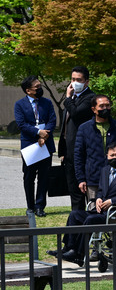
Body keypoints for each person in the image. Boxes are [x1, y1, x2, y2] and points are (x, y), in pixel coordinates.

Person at [48, 142, 116, 267]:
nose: (114, 158)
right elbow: (101, 191)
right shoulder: (105, 170)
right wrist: (98, 199)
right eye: (111, 155)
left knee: (91, 219)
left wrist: (113, 201)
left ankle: (79, 254)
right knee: (75, 215)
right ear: (106, 156)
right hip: (103, 212)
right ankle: (67, 248)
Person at [14, 75, 56, 217]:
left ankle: (40, 206)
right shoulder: (19, 105)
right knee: (29, 176)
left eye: (40, 86)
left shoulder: (47, 102)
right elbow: (21, 124)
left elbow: (52, 120)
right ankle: (30, 206)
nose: (40, 89)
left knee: (44, 177)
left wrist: (45, 136)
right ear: (28, 90)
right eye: (37, 87)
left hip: (46, 143)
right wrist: (39, 133)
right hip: (29, 145)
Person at [74, 94, 116, 202]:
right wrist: (81, 179)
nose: (105, 109)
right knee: (94, 212)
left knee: (114, 211)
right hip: (93, 178)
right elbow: (78, 155)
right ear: (94, 109)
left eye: (107, 105)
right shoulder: (84, 128)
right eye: (101, 106)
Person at [58, 66, 95, 211]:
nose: (74, 83)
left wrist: (67, 98)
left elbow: (76, 114)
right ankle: (76, 223)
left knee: (86, 191)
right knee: (73, 191)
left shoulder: (90, 98)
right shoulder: (72, 97)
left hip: (83, 152)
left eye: (78, 80)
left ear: (86, 82)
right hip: (68, 152)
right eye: (73, 79)